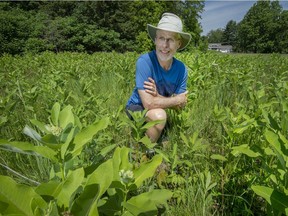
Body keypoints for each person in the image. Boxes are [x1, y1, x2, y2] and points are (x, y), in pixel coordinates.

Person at [126, 12, 191, 143]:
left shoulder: (181, 69)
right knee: (159, 115)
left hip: (158, 107)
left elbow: (180, 108)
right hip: (136, 107)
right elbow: (148, 103)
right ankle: (145, 151)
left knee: (160, 115)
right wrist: (175, 100)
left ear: (178, 44)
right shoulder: (145, 62)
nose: (165, 45)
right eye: (161, 38)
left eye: (171, 39)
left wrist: (158, 97)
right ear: (155, 40)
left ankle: (153, 135)